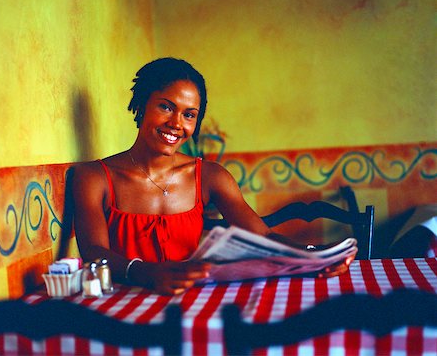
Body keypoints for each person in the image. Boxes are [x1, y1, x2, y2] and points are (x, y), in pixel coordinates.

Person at [72, 57, 353, 295]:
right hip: (124, 306)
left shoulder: (210, 176)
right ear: (142, 103)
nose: (176, 124)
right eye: (166, 107)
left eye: (189, 114)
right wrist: (148, 274)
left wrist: (315, 255)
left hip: (194, 304)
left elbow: (262, 236)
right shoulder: (93, 177)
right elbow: (93, 251)